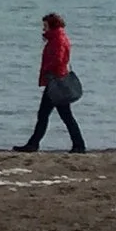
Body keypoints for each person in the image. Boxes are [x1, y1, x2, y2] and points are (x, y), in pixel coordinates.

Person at [17, 11, 85, 152]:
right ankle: (78, 145)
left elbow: (58, 59)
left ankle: (33, 144)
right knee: (63, 116)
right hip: (56, 81)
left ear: (52, 26)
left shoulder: (58, 39)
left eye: (45, 25)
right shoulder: (57, 38)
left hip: (56, 82)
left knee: (46, 115)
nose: (43, 28)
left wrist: (48, 70)